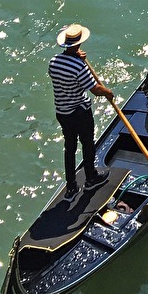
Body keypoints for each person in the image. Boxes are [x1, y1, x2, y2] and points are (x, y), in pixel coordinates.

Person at [48, 23, 113, 201]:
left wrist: (76, 57)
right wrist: (108, 92)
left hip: (62, 112)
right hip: (79, 112)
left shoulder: (53, 62)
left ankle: (71, 187)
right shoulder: (79, 67)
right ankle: (91, 177)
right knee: (87, 143)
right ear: (78, 44)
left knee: (69, 148)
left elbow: (66, 72)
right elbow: (94, 89)